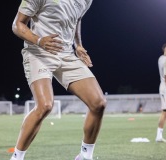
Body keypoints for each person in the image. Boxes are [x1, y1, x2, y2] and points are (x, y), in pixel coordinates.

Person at [10, 0, 107, 160]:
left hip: (66, 54)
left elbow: (77, 18)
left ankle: (85, 156)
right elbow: (17, 24)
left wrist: (78, 45)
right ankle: (16, 157)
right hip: (38, 52)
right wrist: (39, 40)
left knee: (98, 103)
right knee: (45, 106)